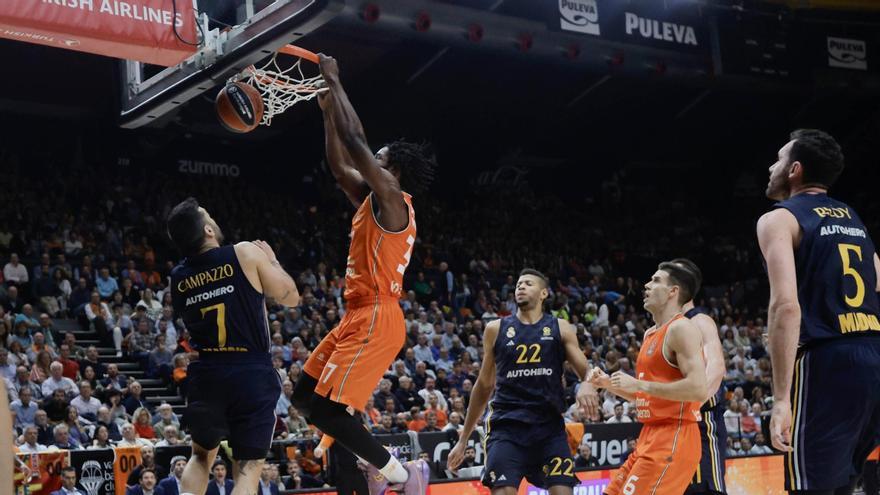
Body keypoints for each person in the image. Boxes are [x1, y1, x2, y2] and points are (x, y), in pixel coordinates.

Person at [291, 53, 437, 495]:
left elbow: (355, 141)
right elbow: (340, 164)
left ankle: (399, 474)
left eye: (378, 158)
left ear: (391, 171)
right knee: (304, 397)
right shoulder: (373, 198)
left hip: (377, 315)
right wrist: (327, 114)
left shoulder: (392, 196)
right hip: (357, 314)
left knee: (330, 414)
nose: (369, 159)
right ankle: (373, 472)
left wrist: (336, 83)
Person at [757, 129, 880, 494]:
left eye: (778, 160)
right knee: (844, 484)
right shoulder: (852, 218)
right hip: (873, 357)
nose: (770, 167)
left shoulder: (778, 219)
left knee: (809, 487)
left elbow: (785, 305)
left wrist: (780, 399)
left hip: (827, 360)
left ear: (794, 169)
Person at [166, 197, 300, 495]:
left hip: (207, 372)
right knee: (249, 467)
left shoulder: (178, 277)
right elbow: (291, 296)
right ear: (208, 231)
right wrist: (273, 262)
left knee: (200, 456)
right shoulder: (244, 253)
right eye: (209, 216)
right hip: (250, 370)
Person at [447, 269, 599, 494]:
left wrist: (587, 383)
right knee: (504, 491)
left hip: (549, 429)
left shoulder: (561, 327)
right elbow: (483, 386)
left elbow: (588, 371)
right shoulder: (495, 329)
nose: (521, 287)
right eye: (518, 284)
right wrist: (463, 439)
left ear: (544, 293)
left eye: (528, 283)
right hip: (507, 428)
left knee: (563, 491)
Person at [589, 262, 706, 495]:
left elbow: (698, 388)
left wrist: (639, 384)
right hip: (649, 435)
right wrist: (606, 384)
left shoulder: (681, 329)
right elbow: (648, 395)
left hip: (674, 435)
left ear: (673, 291)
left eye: (655, 280)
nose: (647, 285)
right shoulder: (651, 333)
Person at [674, 259, 728, 495]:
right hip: (674, 426)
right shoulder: (667, 327)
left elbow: (716, 369)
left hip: (700, 424)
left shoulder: (699, 320)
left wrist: (692, 405)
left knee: (702, 490)